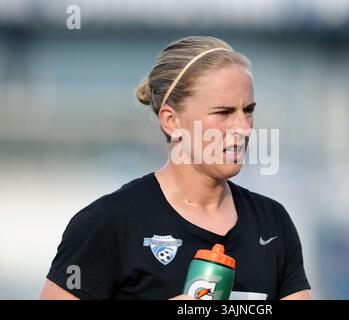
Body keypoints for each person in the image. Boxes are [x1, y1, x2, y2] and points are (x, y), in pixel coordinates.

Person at [39, 36, 311, 300]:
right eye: (223, 112)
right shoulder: (109, 222)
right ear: (171, 121)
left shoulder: (273, 223)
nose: (243, 127)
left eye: (248, 109)